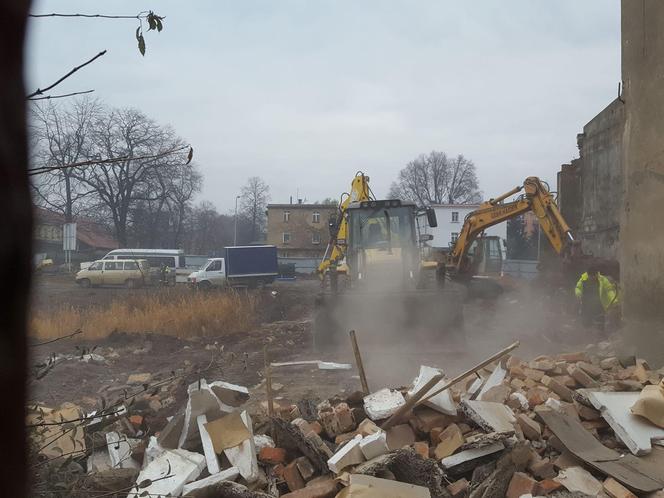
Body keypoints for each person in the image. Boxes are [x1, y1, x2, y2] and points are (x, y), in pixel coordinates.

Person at [574, 265, 619, 333]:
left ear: (596, 274)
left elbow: (609, 290)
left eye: (593, 276)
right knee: (586, 324)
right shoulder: (583, 279)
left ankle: (600, 336)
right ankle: (588, 337)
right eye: (590, 276)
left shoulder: (603, 280)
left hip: (599, 305)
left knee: (600, 322)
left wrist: (614, 301)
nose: (592, 278)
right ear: (588, 274)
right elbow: (578, 287)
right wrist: (578, 293)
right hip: (586, 305)